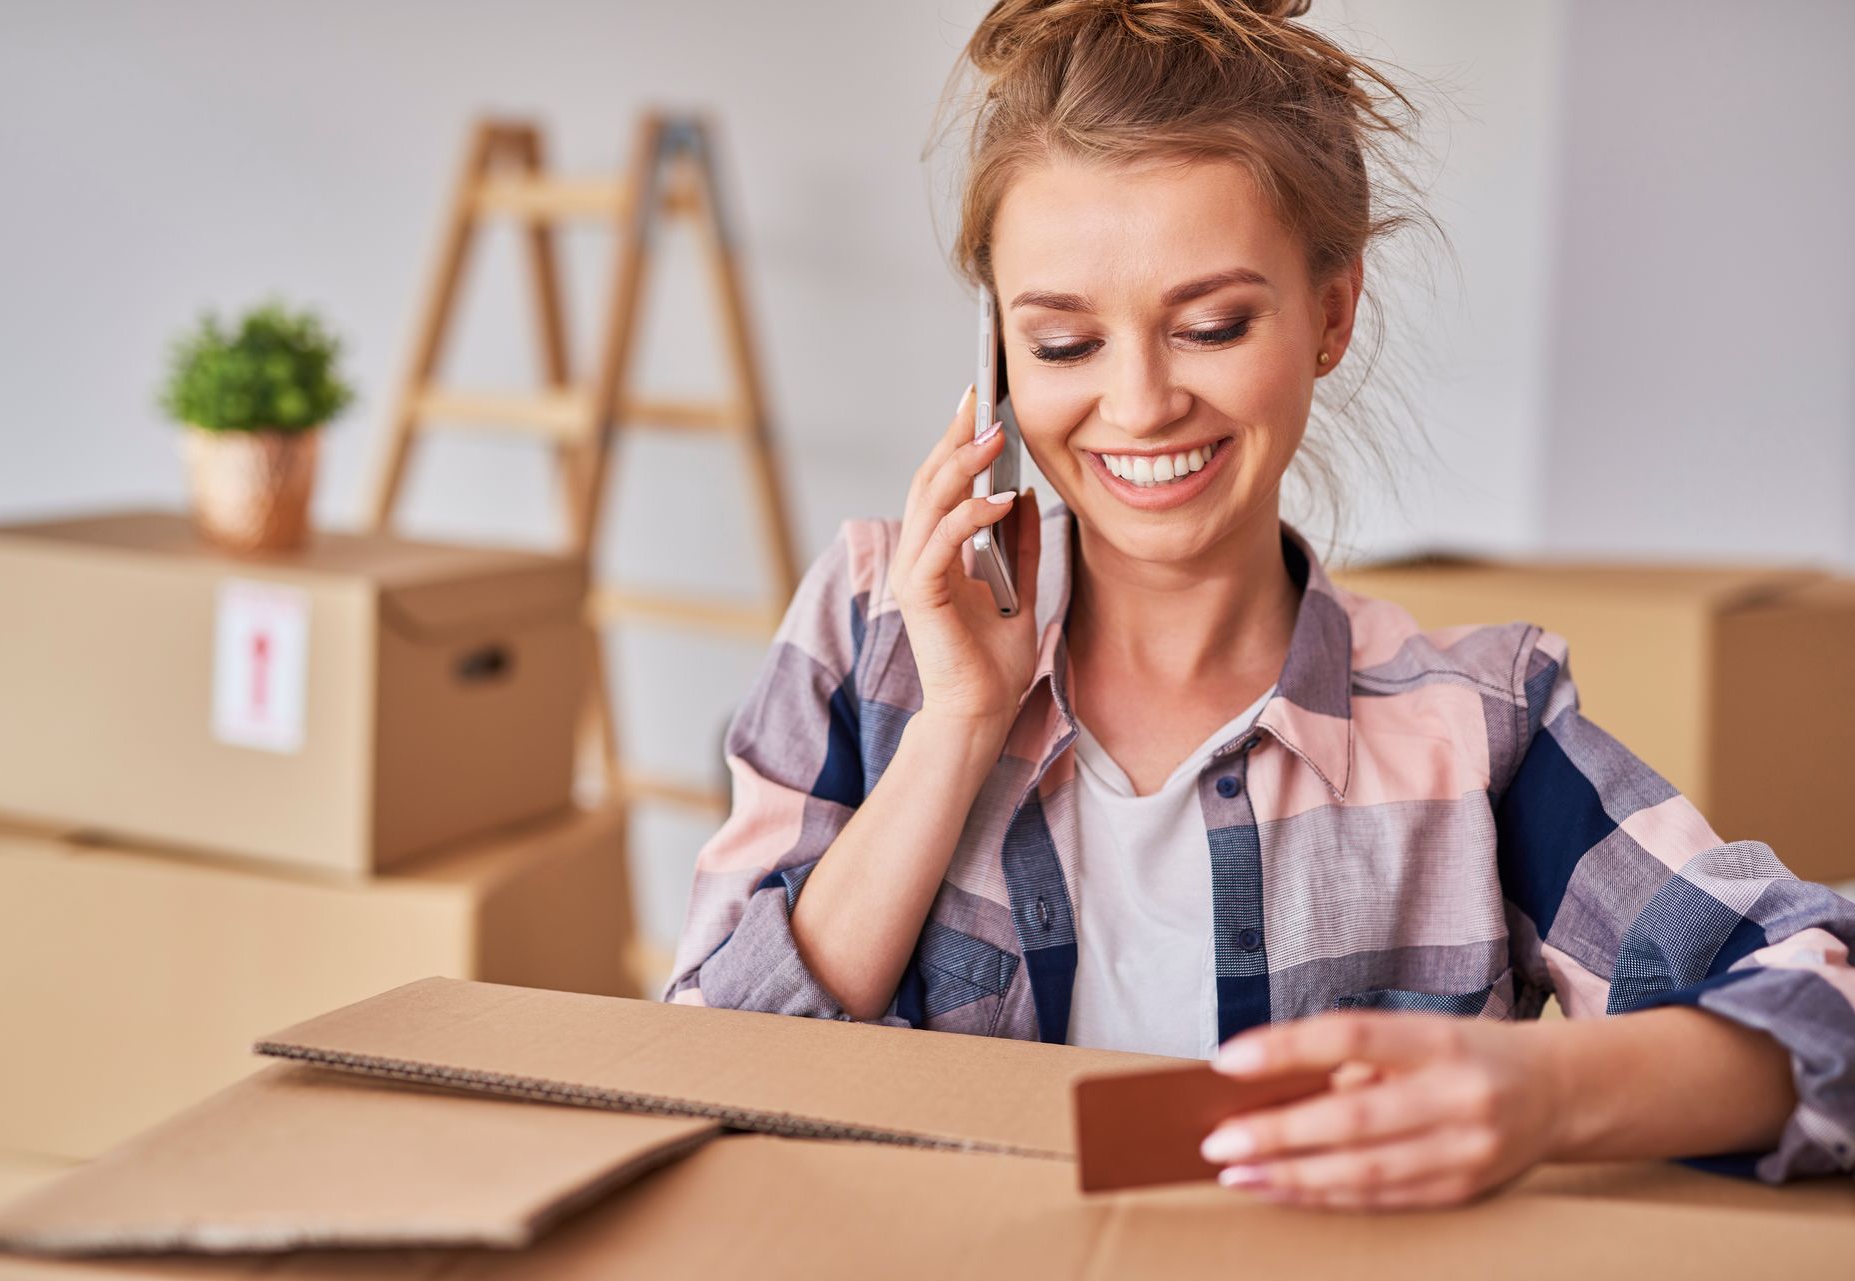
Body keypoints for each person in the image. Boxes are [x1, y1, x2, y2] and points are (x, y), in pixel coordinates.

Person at [664, 0, 1855, 1209]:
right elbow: (697, 1059)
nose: (1138, 406)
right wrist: (958, 731)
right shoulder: (875, 629)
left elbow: (1831, 997)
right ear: (996, 355)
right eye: (1065, 344)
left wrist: (1545, 1089)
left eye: (1212, 326)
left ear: (1329, 315)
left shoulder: (1476, 726)